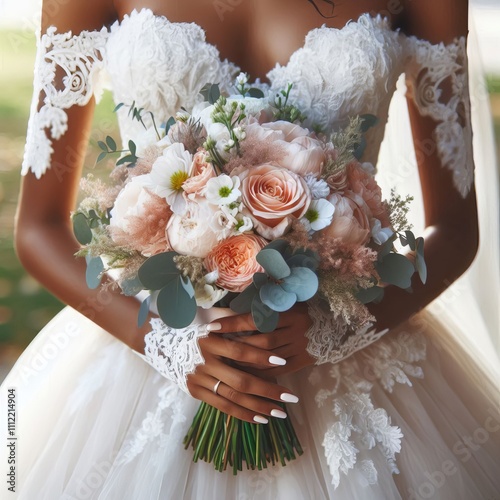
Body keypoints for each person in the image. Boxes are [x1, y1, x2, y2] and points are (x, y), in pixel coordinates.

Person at [1, 0, 499, 498]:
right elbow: (39, 229)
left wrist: (336, 332)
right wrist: (168, 344)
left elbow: (455, 231)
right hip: (146, 360)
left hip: (350, 371)